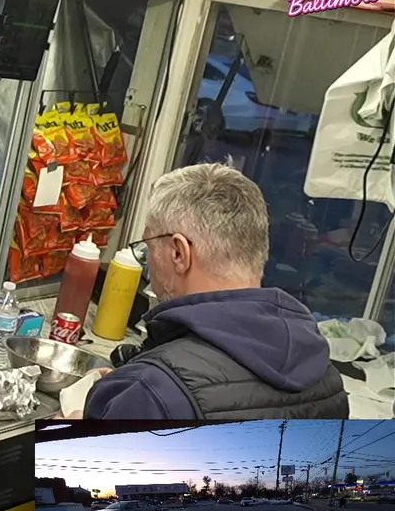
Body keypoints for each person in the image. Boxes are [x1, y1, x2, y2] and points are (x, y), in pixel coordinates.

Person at [84, 162, 348, 419]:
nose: (148, 260)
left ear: (179, 253)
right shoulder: (328, 380)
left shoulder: (153, 393)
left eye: (149, 246)